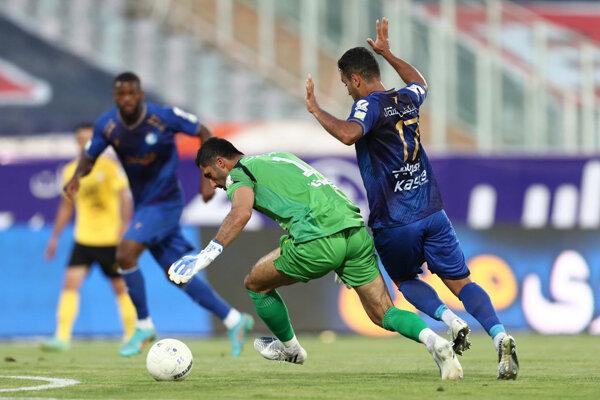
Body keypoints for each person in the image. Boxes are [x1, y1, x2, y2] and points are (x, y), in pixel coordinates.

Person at [305, 17, 518, 380]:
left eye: (345, 84)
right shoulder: (405, 98)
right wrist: (388, 53)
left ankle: (449, 319)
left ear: (356, 79)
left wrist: (316, 110)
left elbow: (348, 134)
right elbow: (421, 82)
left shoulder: (368, 105)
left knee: (405, 281)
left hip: (395, 220)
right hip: (433, 211)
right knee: (462, 283)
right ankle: (500, 335)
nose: (347, 91)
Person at [168, 137, 463, 380]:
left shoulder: (239, 173)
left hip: (317, 239)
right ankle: (434, 341)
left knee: (255, 284)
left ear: (221, 162)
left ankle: (291, 349)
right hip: (355, 232)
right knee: (384, 313)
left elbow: (241, 212)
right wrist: (339, 252)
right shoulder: (281, 156)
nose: (213, 183)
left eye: (209, 175)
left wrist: (206, 255)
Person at [63, 72, 253, 357]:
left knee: (125, 253)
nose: (127, 99)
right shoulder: (108, 125)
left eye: (132, 93)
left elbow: (203, 131)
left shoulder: (163, 117)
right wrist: (77, 177)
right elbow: (89, 157)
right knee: (177, 274)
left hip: (165, 202)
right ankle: (234, 320)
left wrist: (205, 179)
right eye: (121, 94)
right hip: (144, 206)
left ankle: (143, 326)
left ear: (141, 95)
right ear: (115, 97)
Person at [42, 123, 136, 351]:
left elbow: (125, 197)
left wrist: (125, 226)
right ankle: (62, 337)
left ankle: (133, 334)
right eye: (81, 139)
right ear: (76, 142)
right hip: (84, 238)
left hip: (110, 240)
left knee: (120, 288)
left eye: (89, 139)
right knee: (69, 284)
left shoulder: (110, 167)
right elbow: (66, 206)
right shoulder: (70, 171)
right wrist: (55, 237)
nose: (85, 143)